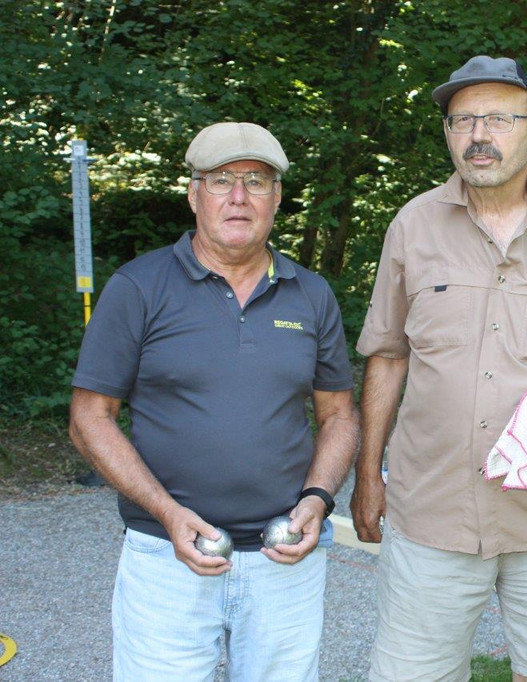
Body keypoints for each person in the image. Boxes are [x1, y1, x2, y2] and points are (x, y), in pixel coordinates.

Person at [351, 55, 527, 682]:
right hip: (431, 516)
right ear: (449, 134)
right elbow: (388, 356)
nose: (479, 135)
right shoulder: (413, 225)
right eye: (463, 120)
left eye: (500, 119)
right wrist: (368, 475)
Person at [68, 121, 360, 681]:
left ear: (277, 197)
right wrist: (167, 512)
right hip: (165, 557)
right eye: (221, 179)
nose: (238, 196)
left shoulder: (311, 293)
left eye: (257, 181)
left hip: (284, 559)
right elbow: (89, 418)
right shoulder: (138, 286)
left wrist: (319, 499)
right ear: (193, 194)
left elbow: (339, 414)